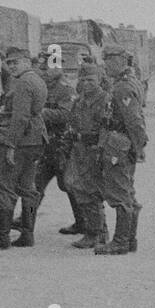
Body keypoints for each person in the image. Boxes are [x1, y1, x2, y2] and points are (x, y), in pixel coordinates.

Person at [0, 47, 47, 248]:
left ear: (27, 62)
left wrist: (11, 144)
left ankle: (2, 238)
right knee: (28, 189)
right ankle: (27, 235)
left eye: (16, 62)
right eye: (9, 63)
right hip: (35, 140)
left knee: (5, 186)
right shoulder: (37, 79)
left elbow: (20, 117)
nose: (11, 66)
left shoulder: (23, 83)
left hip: (20, 142)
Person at [18, 63, 85, 239]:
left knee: (69, 185)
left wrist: (41, 113)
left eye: (48, 68)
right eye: (42, 67)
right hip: (46, 144)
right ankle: (26, 219)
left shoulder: (65, 89)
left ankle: (83, 221)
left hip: (62, 146)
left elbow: (65, 115)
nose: (44, 71)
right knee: (36, 184)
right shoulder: (42, 86)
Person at [95, 45, 149, 255]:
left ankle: (121, 241)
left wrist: (139, 147)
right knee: (126, 190)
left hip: (118, 145)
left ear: (122, 60)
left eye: (110, 59)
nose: (106, 63)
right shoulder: (124, 83)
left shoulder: (123, 87)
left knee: (119, 191)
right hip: (121, 143)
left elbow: (134, 121)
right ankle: (129, 239)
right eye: (105, 59)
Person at [64, 64, 111, 249]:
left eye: (90, 80)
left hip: (94, 151)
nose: (86, 84)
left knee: (91, 191)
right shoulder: (80, 100)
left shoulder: (105, 100)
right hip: (79, 151)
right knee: (78, 187)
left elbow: (105, 130)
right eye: (82, 80)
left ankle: (95, 234)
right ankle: (98, 231)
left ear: (100, 80)